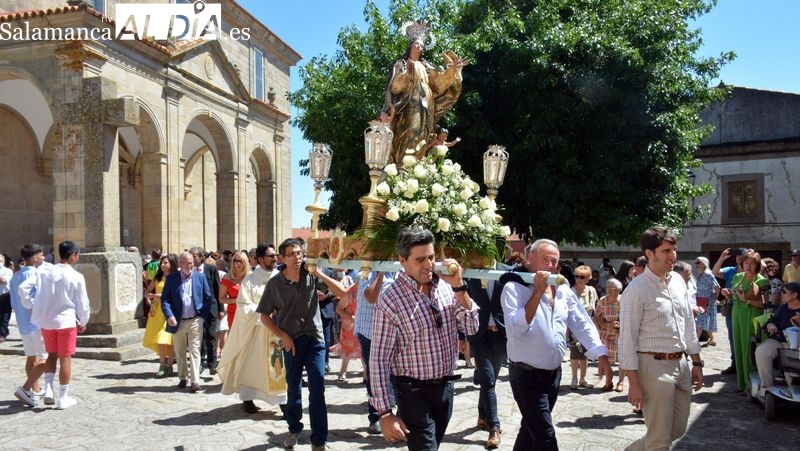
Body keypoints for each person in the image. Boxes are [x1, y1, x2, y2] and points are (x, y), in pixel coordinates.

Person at [369, 228, 479, 450]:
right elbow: (379, 359)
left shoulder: (447, 287)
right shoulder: (391, 300)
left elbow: (472, 327)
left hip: (446, 388)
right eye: (420, 260)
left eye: (431, 257)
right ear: (402, 260)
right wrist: (385, 413)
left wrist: (460, 288)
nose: (429, 265)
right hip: (413, 393)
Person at [500, 239, 612, 451]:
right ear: (530, 259)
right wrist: (538, 292)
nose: (551, 266)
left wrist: (601, 355)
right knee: (546, 436)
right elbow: (516, 328)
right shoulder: (514, 287)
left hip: (553, 375)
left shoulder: (563, 290)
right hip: (526, 376)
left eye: (554, 261)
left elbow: (581, 322)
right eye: (546, 260)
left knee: (530, 430)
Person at [618, 226, 703, 451]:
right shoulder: (636, 290)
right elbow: (627, 340)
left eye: (674, 249)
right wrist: (633, 383)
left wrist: (696, 362)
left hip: (681, 364)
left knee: (676, 430)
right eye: (666, 251)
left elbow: (688, 324)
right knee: (659, 441)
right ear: (649, 253)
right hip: (653, 367)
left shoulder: (678, 281)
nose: (673, 256)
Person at [257, 238, 346, 451]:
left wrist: (318, 273)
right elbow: (264, 316)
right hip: (292, 342)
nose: (297, 258)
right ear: (282, 258)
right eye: (292, 254)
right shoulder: (275, 284)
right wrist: (283, 336)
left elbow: (342, 293)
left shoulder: (312, 276)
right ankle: (294, 428)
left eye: (299, 253)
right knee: (294, 388)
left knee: (317, 387)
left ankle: (319, 440)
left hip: (315, 339)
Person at [379, 21, 468, 166]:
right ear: (410, 45)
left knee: (423, 136)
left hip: (427, 105)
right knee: (410, 133)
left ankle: (415, 168)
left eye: (421, 45)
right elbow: (395, 88)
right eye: (416, 44)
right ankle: (403, 167)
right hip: (410, 104)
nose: (419, 47)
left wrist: (452, 70)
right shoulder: (401, 63)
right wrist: (407, 72)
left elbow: (439, 83)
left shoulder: (426, 66)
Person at [217, 243, 286, 415]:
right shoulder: (250, 280)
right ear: (260, 259)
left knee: (278, 367)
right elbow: (243, 306)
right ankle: (247, 398)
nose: (275, 258)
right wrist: (265, 313)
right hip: (255, 332)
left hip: (278, 331)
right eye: (270, 256)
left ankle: (282, 402)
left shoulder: (282, 277)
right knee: (251, 366)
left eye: (275, 255)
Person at [30, 240, 91, 409]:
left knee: (51, 355)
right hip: (65, 320)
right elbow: (82, 302)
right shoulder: (76, 276)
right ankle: (63, 397)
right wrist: (83, 320)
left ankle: (49, 389)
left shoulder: (45, 271)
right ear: (74, 255)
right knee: (65, 357)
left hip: (47, 321)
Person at [161, 251, 215, 393]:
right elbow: (165, 300)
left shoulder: (200, 277)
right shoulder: (172, 279)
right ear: (180, 263)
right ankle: (183, 377)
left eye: (191, 263)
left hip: (195, 320)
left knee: (195, 350)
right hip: (177, 321)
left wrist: (202, 316)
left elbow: (208, 297)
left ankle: (195, 381)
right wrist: (169, 315)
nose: (190, 265)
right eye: (186, 263)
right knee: (180, 351)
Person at [466, 275, 508, 449]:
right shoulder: (471, 275)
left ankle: (483, 416)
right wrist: (462, 336)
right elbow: (462, 304)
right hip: (480, 337)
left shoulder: (506, 274)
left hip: (502, 336)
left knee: (489, 382)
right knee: (488, 381)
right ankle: (494, 428)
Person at [353, 271, 394, 435]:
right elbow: (370, 297)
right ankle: (376, 416)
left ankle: (398, 414)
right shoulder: (367, 273)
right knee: (374, 377)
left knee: (398, 375)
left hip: (393, 332)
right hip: (370, 332)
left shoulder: (399, 271)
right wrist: (381, 273)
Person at [10, 244, 48, 407]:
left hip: (23, 323)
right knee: (45, 358)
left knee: (31, 356)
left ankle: (36, 390)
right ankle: (26, 388)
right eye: (41, 255)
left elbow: (13, 302)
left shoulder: (15, 276)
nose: (43, 257)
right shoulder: (36, 274)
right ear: (33, 258)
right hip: (36, 322)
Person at [730, 250, 768, 391]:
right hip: (736, 313)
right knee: (738, 346)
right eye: (746, 263)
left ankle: (750, 385)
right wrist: (728, 295)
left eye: (752, 263)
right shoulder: (737, 277)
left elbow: (764, 304)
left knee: (748, 348)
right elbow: (734, 296)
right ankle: (741, 383)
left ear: (757, 265)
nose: (748, 266)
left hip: (752, 315)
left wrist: (746, 300)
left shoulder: (761, 281)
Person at [754, 282, 800, 393]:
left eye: (784, 292)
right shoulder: (783, 308)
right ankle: (766, 387)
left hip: (796, 344)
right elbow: (773, 320)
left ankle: (793, 389)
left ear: (794, 295)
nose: (781, 294)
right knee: (762, 351)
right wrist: (771, 325)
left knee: (790, 357)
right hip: (779, 340)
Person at [712, 247, 747, 375]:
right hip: (731, 306)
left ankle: (746, 363)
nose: (739, 257)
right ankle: (735, 364)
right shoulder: (731, 270)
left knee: (746, 336)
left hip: (747, 306)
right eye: (737, 255)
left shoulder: (751, 271)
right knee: (733, 336)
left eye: (742, 255)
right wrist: (722, 258)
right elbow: (715, 272)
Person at [142, 253, 178, 377]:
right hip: (157, 310)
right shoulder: (157, 277)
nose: (162, 265)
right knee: (160, 338)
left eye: (165, 263)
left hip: (170, 309)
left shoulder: (175, 278)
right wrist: (151, 296)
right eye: (162, 263)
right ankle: (162, 364)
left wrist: (157, 296)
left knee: (169, 338)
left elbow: (174, 295)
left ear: (172, 264)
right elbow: (147, 292)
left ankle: (170, 364)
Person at [188, 246, 221, 375]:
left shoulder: (211, 269)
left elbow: (217, 289)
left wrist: (221, 308)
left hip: (211, 308)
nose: (192, 259)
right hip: (196, 310)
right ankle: (200, 362)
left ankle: (212, 363)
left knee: (211, 335)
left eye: (194, 256)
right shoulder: (188, 271)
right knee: (198, 336)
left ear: (201, 257)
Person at [568, 265, 598, 390]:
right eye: (577, 276)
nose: (579, 279)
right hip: (574, 326)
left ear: (588, 278)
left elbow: (595, 307)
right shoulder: (571, 291)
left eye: (582, 277)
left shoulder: (591, 291)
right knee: (575, 352)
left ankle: (583, 378)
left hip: (588, 326)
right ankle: (574, 378)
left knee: (586, 352)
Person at [218, 251, 251, 359]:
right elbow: (221, 298)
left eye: (241, 261)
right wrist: (236, 301)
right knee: (236, 340)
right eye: (236, 261)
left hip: (250, 313)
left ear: (245, 262)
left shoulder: (251, 277)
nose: (238, 263)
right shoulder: (227, 278)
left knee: (249, 340)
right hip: (234, 313)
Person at [594, 278, 623, 392]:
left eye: (612, 287)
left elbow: (630, 316)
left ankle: (620, 382)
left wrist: (621, 324)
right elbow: (596, 316)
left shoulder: (624, 300)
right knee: (605, 358)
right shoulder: (602, 301)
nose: (609, 290)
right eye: (607, 287)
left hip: (620, 333)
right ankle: (608, 382)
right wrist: (600, 325)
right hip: (605, 333)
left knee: (622, 358)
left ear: (619, 289)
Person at [334, 283, 362, 382]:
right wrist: (351, 317)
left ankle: (366, 375)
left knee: (363, 349)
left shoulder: (365, 290)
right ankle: (342, 373)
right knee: (348, 350)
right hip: (350, 326)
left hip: (362, 325)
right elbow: (338, 309)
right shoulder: (349, 293)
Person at [694, 257, 720, 347]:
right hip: (701, 300)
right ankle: (712, 339)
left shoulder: (708, 274)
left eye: (698, 262)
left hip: (707, 301)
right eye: (696, 262)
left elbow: (717, 287)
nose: (696, 264)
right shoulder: (701, 274)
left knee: (700, 320)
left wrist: (714, 298)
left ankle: (694, 341)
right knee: (707, 320)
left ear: (704, 264)